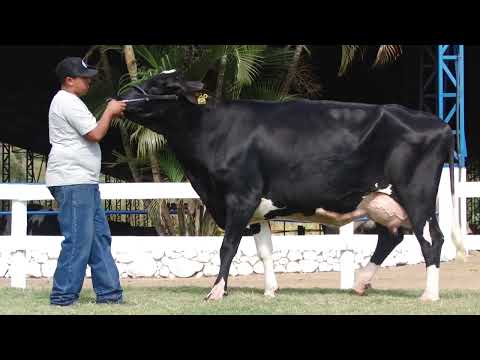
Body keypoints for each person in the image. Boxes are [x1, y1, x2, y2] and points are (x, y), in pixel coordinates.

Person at [46, 57, 126, 306]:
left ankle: (110, 294)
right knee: (79, 239)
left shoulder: (71, 101)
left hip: (83, 180)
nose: (90, 81)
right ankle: (63, 297)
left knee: (98, 237)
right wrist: (111, 111)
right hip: (73, 180)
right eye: (85, 77)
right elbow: (95, 134)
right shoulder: (66, 101)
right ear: (69, 80)